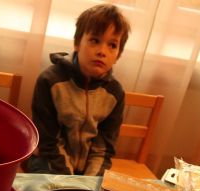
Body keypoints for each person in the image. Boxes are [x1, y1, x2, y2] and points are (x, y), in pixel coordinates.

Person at [25, 3, 131, 176]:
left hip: (85, 172)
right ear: (77, 43)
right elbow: (48, 142)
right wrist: (71, 182)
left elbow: (103, 149)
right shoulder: (49, 81)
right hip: (49, 162)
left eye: (112, 45)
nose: (102, 51)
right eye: (95, 40)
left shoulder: (115, 93)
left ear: (118, 54)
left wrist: (88, 183)